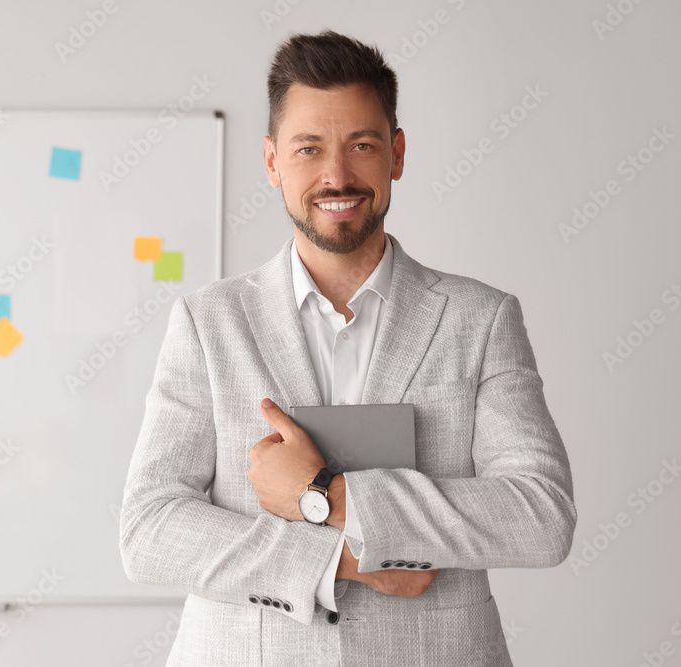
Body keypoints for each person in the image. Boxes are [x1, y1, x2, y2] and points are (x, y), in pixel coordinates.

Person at [119, 29, 576, 666]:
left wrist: (326, 496)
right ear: (274, 161)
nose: (336, 175)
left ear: (397, 153)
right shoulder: (208, 322)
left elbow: (540, 514)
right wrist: (347, 560)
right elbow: (151, 528)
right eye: (309, 148)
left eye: (361, 145)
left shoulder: (482, 318)